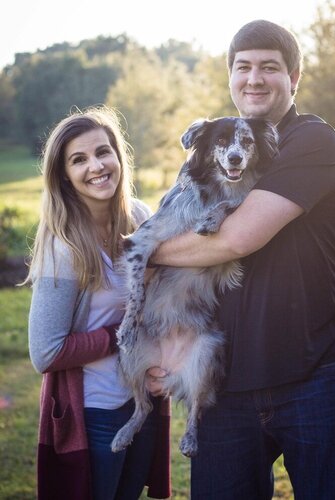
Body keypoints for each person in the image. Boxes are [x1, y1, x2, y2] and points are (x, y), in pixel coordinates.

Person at [147, 19, 335, 499]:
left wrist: (142, 253)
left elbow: (236, 239)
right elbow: (177, 224)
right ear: (230, 78)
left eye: (270, 67)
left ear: (294, 78)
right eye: (243, 67)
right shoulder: (221, 149)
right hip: (227, 384)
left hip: (316, 374)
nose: (255, 78)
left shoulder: (311, 141)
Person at [27, 106, 171, 500]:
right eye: (79, 159)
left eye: (103, 152)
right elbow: (46, 352)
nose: (96, 166)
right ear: (64, 176)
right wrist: (122, 336)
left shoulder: (140, 218)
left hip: (142, 402)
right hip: (95, 414)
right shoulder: (64, 247)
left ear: (118, 156)